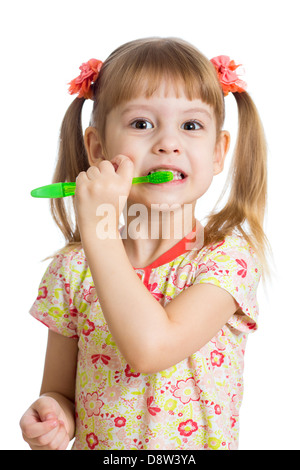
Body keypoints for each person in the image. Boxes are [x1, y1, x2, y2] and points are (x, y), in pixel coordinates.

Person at [20, 37, 269, 450]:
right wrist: (52, 417)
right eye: (141, 124)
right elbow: (61, 393)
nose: (168, 143)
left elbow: (151, 348)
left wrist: (98, 229)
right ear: (98, 149)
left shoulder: (226, 260)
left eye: (191, 126)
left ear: (218, 151)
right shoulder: (71, 270)